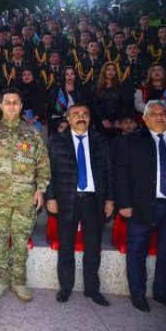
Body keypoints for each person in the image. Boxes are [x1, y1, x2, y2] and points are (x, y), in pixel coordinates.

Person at [0, 88, 50, 301]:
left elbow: (43, 165)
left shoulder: (32, 134)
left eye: (15, 102)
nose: (11, 106)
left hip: (25, 198)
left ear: (21, 106)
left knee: (20, 241)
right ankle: (0, 281)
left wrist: (40, 190)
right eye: (7, 102)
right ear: (0, 105)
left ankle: (19, 282)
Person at [46, 104, 113, 306]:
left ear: (90, 118)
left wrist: (110, 198)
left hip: (94, 200)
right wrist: (50, 197)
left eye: (85, 114)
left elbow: (109, 172)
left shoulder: (100, 141)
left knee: (93, 247)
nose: (81, 117)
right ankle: (65, 288)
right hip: (66, 200)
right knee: (66, 247)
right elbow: (47, 172)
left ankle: (92, 289)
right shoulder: (57, 140)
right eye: (76, 114)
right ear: (68, 118)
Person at [113, 100, 166, 312]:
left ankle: (163, 292)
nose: (159, 116)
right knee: (137, 252)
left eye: (163, 112)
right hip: (140, 206)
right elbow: (120, 175)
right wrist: (124, 203)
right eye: (153, 113)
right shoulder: (130, 142)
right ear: (144, 119)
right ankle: (138, 294)